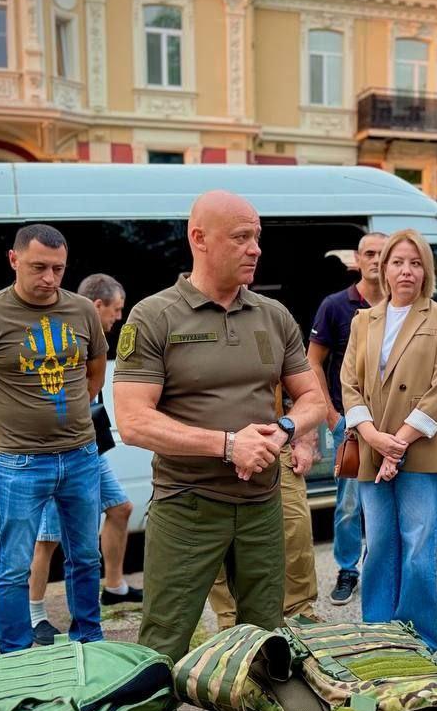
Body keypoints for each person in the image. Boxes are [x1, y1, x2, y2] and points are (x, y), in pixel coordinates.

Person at [113, 190, 326, 664]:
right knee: (162, 644)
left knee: (265, 641)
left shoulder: (273, 316)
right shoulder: (154, 316)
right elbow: (132, 421)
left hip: (261, 504)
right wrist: (228, 445)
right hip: (187, 504)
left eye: (257, 237)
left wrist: (285, 428)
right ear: (199, 239)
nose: (256, 248)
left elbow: (313, 398)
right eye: (242, 237)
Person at [0, 224, 108, 653]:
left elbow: (95, 369)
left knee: (85, 557)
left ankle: (89, 641)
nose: (49, 278)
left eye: (58, 269)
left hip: (80, 453)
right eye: (39, 267)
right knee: (13, 565)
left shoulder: (82, 311)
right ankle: (15, 654)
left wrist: (76, 406)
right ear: (14, 260)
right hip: (20, 461)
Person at [339, 229, 437, 652]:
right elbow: (349, 383)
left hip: (423, 449)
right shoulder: (363, 321)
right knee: (380, 545)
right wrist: (373, 437)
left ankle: (419, 641)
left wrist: (400, 442)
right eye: (397, 262)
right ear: (382, 269)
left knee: (417, 549)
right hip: (373, 449)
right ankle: (376, 635)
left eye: (414, 262)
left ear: (425, 269)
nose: (405, 270)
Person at [26, 272, 137, 646]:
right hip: (62, 449)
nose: (118, 318)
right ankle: (35, 614)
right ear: (97, 305)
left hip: (90, 447)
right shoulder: (64, 337)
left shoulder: (94, 339)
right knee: (50, 536)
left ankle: (115, 586)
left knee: (120, 508)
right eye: (116, 310)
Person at [308, 232, 386, 606]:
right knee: (350, 503)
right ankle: (347, 569)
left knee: (388, 500)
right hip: (350, 424)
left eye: (383, 254)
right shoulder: (336, 305)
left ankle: (381, 569)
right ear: (357, 259)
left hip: (393, 424)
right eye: (369, 253)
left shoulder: (401, 305)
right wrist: (330, 415)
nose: (376, 260)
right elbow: (313, 362)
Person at [208, 387, 322, 630]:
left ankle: (300, 615)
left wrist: (304, 441)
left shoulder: (280, 345)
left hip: (274, 442)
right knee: (216, 539)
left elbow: (306, 390)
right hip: (211, 447)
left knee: (295, 530)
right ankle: (230, 625)